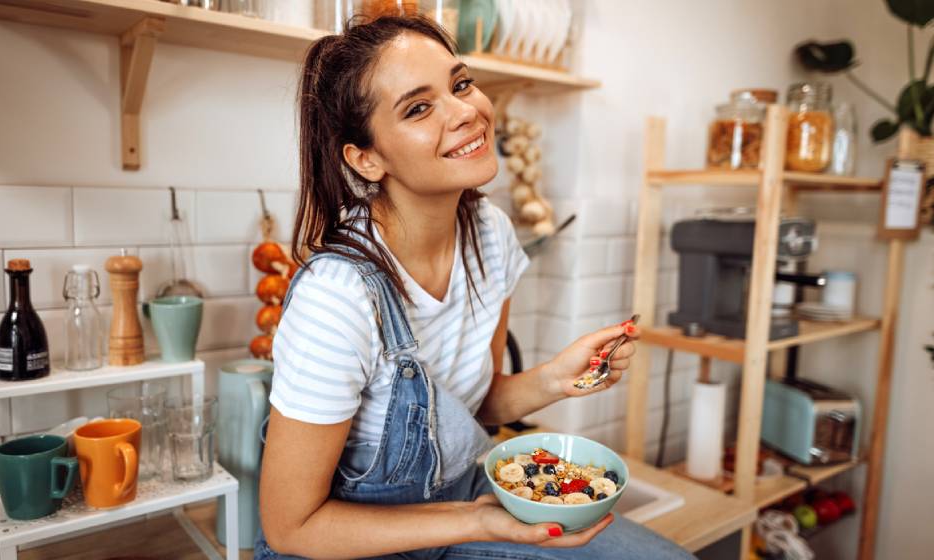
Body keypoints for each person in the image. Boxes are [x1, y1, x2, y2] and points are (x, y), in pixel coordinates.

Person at [256, 14, 694, 560]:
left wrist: (554, 378)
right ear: (366, 158)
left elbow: (471, 405)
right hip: (342, 541)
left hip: (461, 503)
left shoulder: (490, 234)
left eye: (460, 85)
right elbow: (291, 527)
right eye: (419, 107)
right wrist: (477, 523)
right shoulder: (337, 296)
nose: (467, 111)